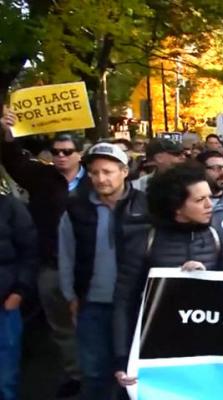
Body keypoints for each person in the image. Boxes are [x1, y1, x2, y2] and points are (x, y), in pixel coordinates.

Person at [114, 164, 223, 388]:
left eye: (209, 197)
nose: (209, 205)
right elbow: (124, 303)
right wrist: (124, 360)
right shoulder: (144, 241)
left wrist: (205, 282)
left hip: (208, 350)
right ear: (176, 207)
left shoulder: (217, 238)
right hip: (157, 350)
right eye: (199, 200)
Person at [1, 110, 85, 397]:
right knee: (61, 327)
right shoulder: (42, 178)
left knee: (94, 322)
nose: (60, 156)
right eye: (56, 152)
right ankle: (75, 374)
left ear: (80, 154)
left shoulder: (96, 179)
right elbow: (14, 162)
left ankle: (101, 374)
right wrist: (8, 135)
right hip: (52, 265)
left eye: (67, 152)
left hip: (89, 267)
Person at [58, 143, 147, 400]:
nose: (101, 179)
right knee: (94, 372)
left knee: (130, 374)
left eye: (107, 172)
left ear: (124, 172)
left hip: (135, 304)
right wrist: (71, 297)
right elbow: (66, 254)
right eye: (95, 173)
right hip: (93, 303)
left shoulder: (146, 206)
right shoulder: (77, 208)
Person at [0, 191, 37, 400]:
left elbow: (30, 251)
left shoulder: (10, 207)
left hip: (5, 303)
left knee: (5, 377)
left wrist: (19, 291)